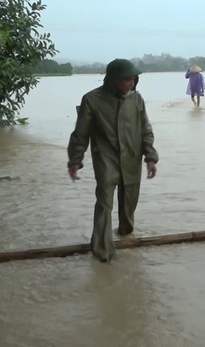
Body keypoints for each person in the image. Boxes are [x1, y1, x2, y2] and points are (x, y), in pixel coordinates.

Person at [67, 58, 159, 263]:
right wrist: (75, 160)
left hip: (132, 157)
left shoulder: (136, 99)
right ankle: (102, 250)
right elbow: (80, 134)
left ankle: (126, 233)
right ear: (114, 80)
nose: (132, 83)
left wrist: (150, 157)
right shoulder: (92, 99)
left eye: (134, 79)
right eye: (128, 80)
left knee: (129, 200)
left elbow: (146, 129)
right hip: (106, 157)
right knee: (105, 202)